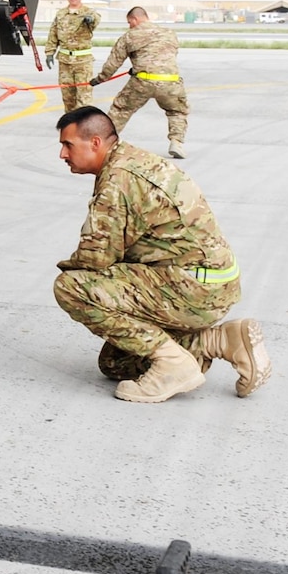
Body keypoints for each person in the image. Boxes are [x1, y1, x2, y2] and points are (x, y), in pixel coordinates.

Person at [52, 105, 269, 402]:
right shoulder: (133, 160)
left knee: (72, 288)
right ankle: (220, 341)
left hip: (191, 287)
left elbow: (95, 259)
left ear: (95, 142)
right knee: (117, 363)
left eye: (67, 145)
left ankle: (173, 364)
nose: (63, 154)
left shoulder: (118, 181)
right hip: (208, 282)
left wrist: (68, 267)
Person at [98, 7, 189, 157]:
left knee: (121, 110)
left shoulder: (129, 36)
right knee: (177, 111)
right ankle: (176, 142)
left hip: (143, 82)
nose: (129, 26)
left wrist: (100, 79)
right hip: (171, 82)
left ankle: (105, 143)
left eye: (129, 22)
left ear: (135, 19)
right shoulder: (169, 33)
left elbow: (113, 63)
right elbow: (167, 55)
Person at [45, 0, 103, 110]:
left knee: (84, 98)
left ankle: (84, 126)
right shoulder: (61, 14)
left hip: (83, 63)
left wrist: (90, 19)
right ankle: (71, 126)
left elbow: (96, 18)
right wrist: (50, 53)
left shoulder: (88, 12)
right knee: (68, 98)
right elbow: (53, 34)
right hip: (65, 62)